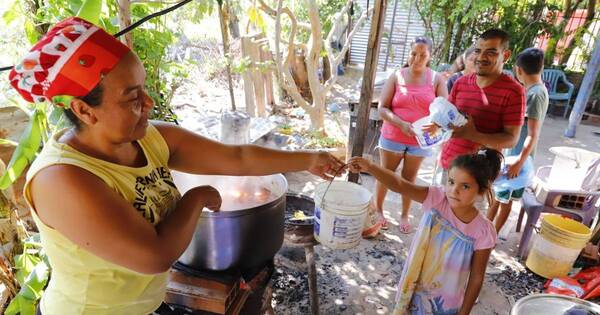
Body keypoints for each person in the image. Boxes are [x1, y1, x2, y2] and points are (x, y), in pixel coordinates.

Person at [9, 18, 344, 315]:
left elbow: (237, 158)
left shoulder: (150, 138)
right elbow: (154, 256)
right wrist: (194, 198)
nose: (148, 103)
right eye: (132, 97)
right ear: (84, 110)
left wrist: (309, 158)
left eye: (144, 88)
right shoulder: (62, 179)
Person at [349, 148, 501, 315]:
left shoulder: (483, 231)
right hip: (414, 285)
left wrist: (464, 313)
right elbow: (400, 185)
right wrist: (371, 167)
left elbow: (476, 278)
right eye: (451, 182)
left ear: (481, 190)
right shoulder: (437, 198)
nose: (454, 191)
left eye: (465, 186)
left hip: (444, 303)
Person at [365, 36, 448, 237]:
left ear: (429, 56)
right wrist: (401, 124)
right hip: (393, 136)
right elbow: (382, 108)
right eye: (413, 53)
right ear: (408, 53)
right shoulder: (397, 76)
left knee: (409, 179)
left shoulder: (437, 79)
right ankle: (379, 210)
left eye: (422, 55)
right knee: (386, 174)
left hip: (419, 141)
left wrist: (436, 124)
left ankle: (404, 215)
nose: (417, 58)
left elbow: (444, 110)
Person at [435, 29, 525, 186]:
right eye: (478, 51)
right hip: (448, 164)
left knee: (467, 212)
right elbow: (448, 117)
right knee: (436, 210)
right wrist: (435, 124)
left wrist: (473, 135)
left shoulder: (514, 91)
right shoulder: (460, 83)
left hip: (478, 175)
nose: (481, 57)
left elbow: (511, 139)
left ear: (505, 55)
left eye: (491, 52)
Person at [487, 48, 549, 233]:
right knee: (497, 196)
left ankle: (492, 235)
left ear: (518, 70)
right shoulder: (531, 90)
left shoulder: (536, 95)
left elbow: (533, 134)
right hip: (510, 156)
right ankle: (484, 229)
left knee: (506, 201)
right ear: (542, 67)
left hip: (517, 160)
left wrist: (519, 163)